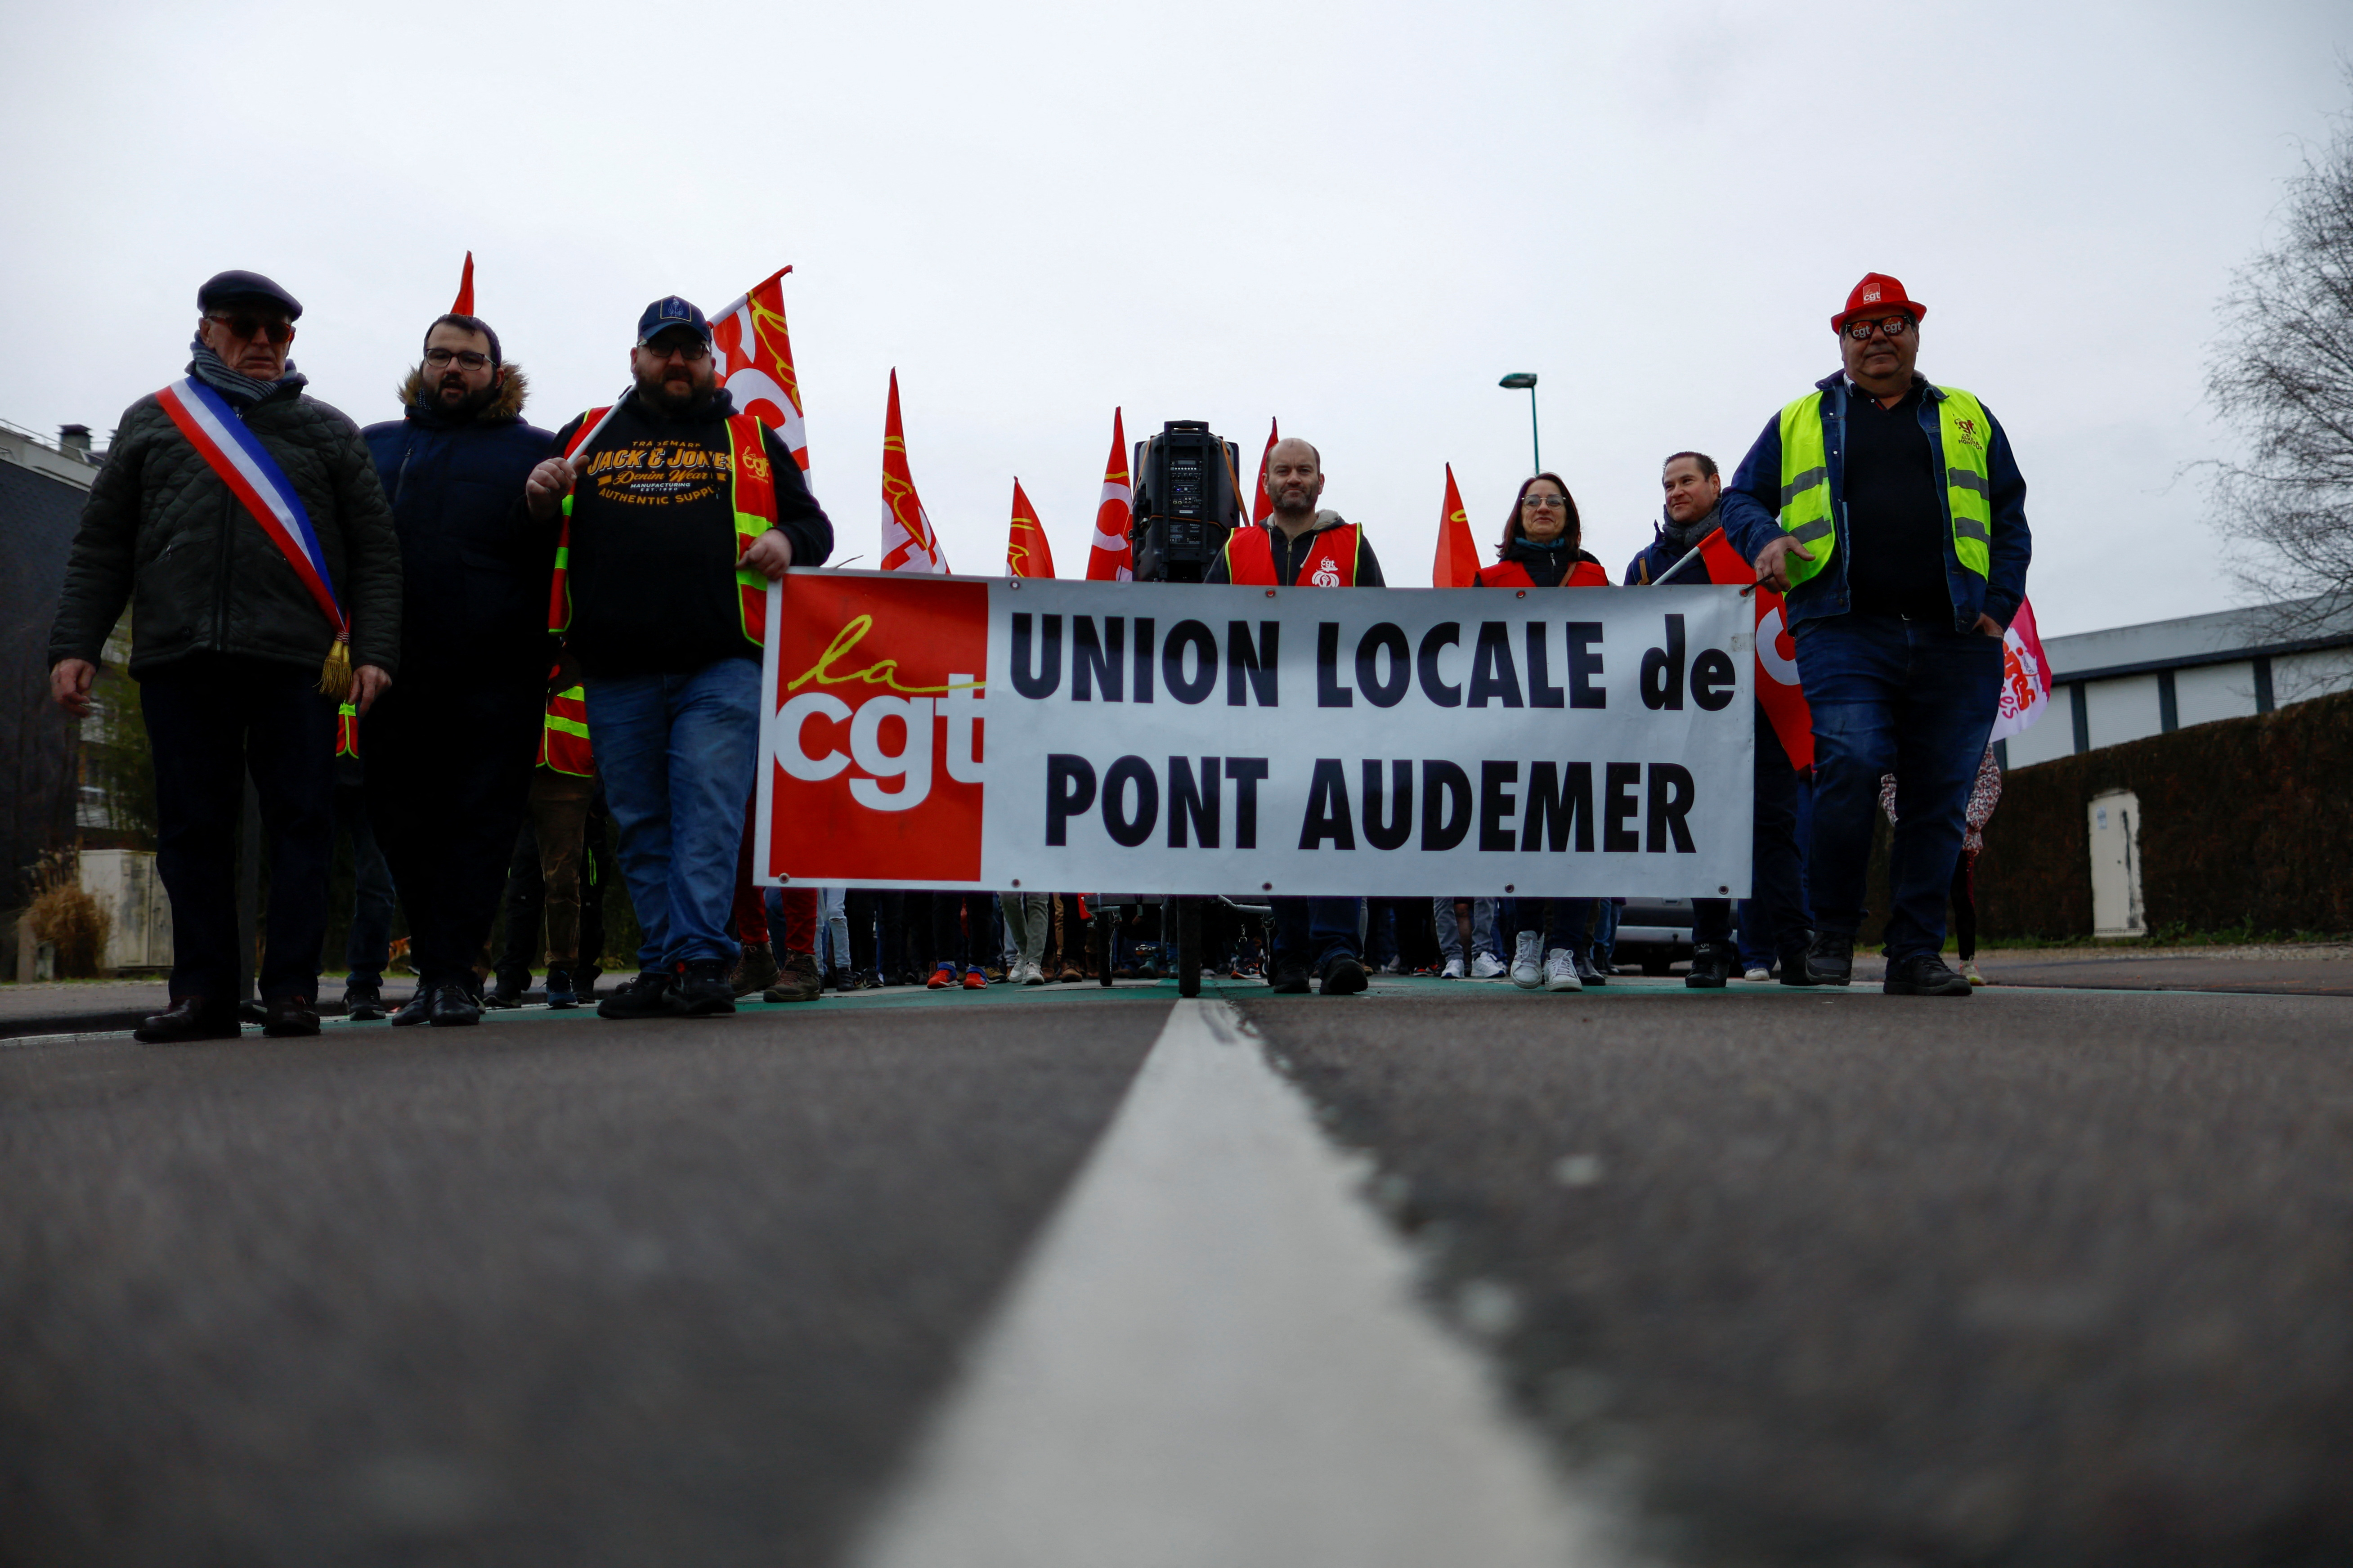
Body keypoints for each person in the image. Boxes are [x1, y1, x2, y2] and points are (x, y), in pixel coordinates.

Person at [50, 270, 401, 1043]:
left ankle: (292, 993)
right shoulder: (152, 423)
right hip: (182, 656)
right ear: (208, 330)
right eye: (247, 327)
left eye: (280, 332)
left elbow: (377, 555)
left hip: (298, 662)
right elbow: (101, 547)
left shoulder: (330, 432)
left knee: (302, 825)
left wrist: (374, 651)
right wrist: (76, 644)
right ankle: (203, 992)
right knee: (191, 831)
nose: (265, 344)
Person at [1721, 273, 2030, 997]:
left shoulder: (1966, 415)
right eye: (1860, 329)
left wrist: (1999, 605)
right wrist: (1763, 537)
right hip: (1841, 627)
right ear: (1841, 342)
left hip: (1956, 633)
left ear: (1915, 335)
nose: (1876, 339)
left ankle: (1914, 954)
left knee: (1936, 795)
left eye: (1891, 324)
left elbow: (2008, 515)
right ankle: (1832, 930)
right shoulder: (1800, 417)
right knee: (1852, 763)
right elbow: (1739, 496)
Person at [526, 296, 834, 1019]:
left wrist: (787, 543)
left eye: (689, 350)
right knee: (639, 818)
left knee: (708, 809)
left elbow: (812, 525)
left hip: (721, 662)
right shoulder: (588, 432)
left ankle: (702, 961)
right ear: (635, 359)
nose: (676, 361)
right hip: (614, 666)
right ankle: (663, 965)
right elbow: (535, 531)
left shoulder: (751, 436)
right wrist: (537, 499)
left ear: (711, 361)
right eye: (662, 349)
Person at [360, 309, 556, 1026]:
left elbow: (565, 557)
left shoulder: (536, 451)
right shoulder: (375, 446)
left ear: (495, 374)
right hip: (392, 671)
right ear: (422, 364)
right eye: (441, 356)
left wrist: (542, 508)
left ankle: (453, 977)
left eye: (469, 360)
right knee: (401, 824)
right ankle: (433, 969)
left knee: (480, 828)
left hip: (497, 676)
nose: (453, 369)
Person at [1627, 451, 1815, 990]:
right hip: (1688, 721)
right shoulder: (1646, 567)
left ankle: (1794, 947)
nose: (1674, 492)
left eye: (1686, 481)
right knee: (1702, 833)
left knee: (1773, 833)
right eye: (1666, 484)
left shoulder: (1752, 546)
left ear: (1716, 484)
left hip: (1762, 714)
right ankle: (1710, 948)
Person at [1206, 437, 1382, 995]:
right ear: (1265, 482)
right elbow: (1203, 632)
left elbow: (1386, 631)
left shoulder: (1352, 547)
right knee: (1280, 833)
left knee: (1333, 833)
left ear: (1320, 482)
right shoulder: (1236, 549)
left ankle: (1336, 954)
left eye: (1304, 471)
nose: (1293, 479)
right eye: (1282, 471)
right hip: (1262, 723)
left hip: (1336, 720)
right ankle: (1288, 955)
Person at [1478, 472, 1609, 993]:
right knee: (1527, 837)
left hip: (1582, 733)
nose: (1542, 507)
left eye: (1553, 500)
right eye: (1532, 500)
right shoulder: (1490, 579)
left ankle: (1566, 951)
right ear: (1518, 513)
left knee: (1578, 839)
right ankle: (1526, 941)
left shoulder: (1595, 577)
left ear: (1568, 514)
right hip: (1517, 733)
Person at [487, 667, 608, 1009]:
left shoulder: (584, 659)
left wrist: (600, 790)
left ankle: (561, 972)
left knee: (565, 883)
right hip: (513, 774)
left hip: (570, 779)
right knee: (500, 882)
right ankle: (482, 976)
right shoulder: (513, 651)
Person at [1881, 745, 2001, 984]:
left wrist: (1968, 821)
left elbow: (1989, 780)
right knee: (1913, 892)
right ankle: (1909, 953)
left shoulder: (1975, 737)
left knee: (1962, 900)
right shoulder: (1900, 733)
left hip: (1960, 835)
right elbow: (1889, 784)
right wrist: (1904, 820)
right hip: (1918, 833)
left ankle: (1968, 962)